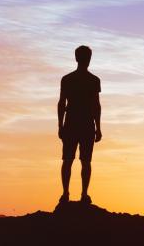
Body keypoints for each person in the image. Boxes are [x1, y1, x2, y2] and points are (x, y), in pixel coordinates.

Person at [57, 45, 102, 204]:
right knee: (82, 161)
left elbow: (62, 103)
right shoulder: (92, 80)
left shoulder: (68, 79)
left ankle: (68, 194)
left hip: (74, 123)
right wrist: (98, 128)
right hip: (84, 124)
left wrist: (60, 126)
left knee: (71, 160)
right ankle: (79, 194)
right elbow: (95, 105)